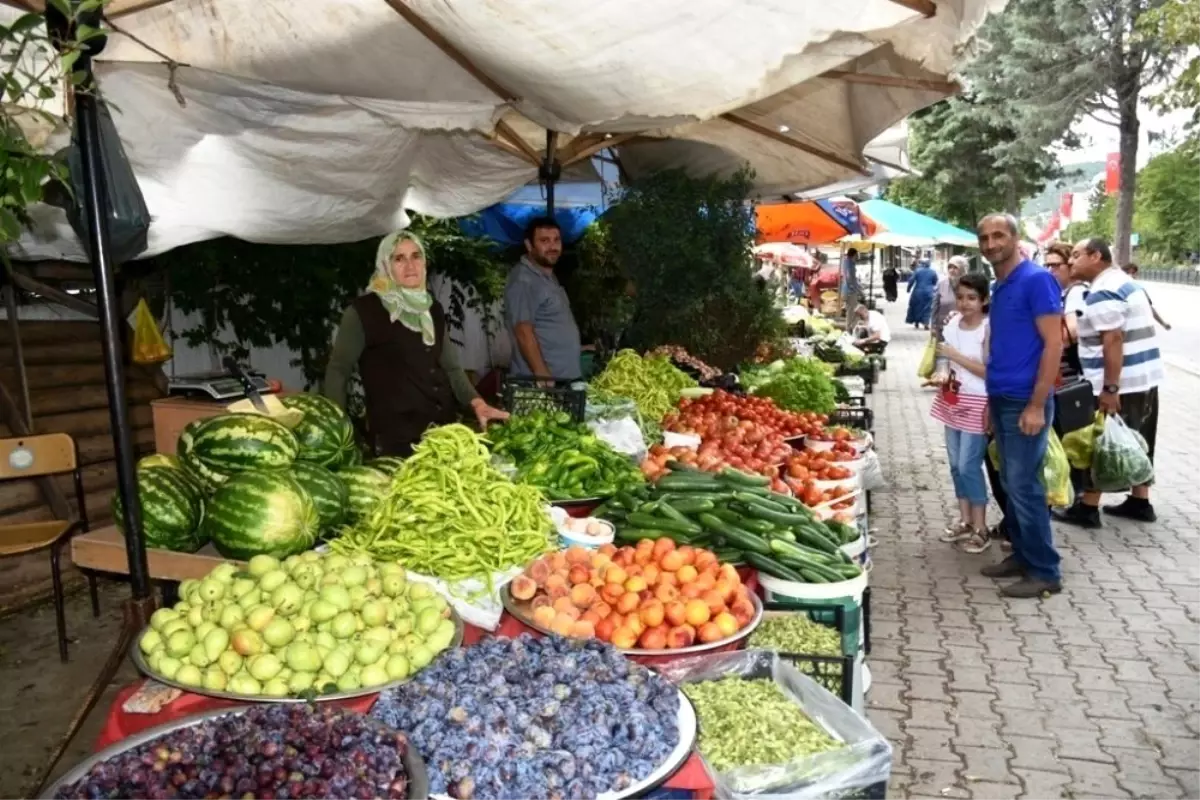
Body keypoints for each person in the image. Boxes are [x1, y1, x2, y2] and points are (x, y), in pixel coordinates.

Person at [324, 232, 509, 456]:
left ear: (424, 263)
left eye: (416, 256)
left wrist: (477, 403)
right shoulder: (363, 312)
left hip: (442, 436)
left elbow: (451, 368)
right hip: (395, 442)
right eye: (399, 258)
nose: (410, 265)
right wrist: (336, 429)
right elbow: (339, 370)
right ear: (385, 264)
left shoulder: (432, 309)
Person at [978, 213, 1064, 598]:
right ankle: (1022, 555)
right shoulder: (1001, 285)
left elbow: (1054, 344)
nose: (991, 243)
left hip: (1024, 401)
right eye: (984, 237)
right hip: (1002, 397)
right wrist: (988, 402)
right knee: (1011, 483)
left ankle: (1045, 570)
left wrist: (1036, 404)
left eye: (999, 235)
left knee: (1025, 485)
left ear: (1015, 238)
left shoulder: (1036, 280)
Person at [1054, 239, 1165, 527]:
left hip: (1120, 383)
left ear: (1096, 256)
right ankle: (1140, 500)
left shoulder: (1103, 290)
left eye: (1077, 256)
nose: (1071, 262)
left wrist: (1110, 388)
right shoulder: (1123, 281)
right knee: (1137, 439)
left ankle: (1088, 507)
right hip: (1144, 378)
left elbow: (1112, 339)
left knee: (1102, 441)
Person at [931, 272, 992, 553]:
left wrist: (955, 357)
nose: (965, 303)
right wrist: (942, 372)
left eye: (972, 298)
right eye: (961, 297)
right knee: (956, 465)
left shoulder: (988, 329)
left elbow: (989, 372)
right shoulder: (953, 323)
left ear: (984, 300)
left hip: (978, 403)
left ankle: (982, 527)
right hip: (952, 400)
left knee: (969, 465)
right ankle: (965, 521)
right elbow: (943, 355)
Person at [505, 217, 583, 381]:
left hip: (562, 380)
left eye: (556, 240)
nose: (552, 247)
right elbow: (523, 331)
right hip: (542, 385)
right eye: (544, 241)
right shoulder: (524, 280)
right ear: (529, 245)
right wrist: (543, 376)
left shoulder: (546, 275)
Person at [1121, 263, 1171, 331]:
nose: (1131, 275)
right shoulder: (1117, 282)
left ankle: (1163, 323)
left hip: (1131, 321)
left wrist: (1163, 323)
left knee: (1148, 307)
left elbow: (1149, 305)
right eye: (1129, 273)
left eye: (1133, 273)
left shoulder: (1136, 286)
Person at [930, 256, 967, 339]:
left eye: (955, 267)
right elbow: (935, 307)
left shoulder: (970, 285)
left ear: (963, 269)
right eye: (949, 267)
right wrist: (933, 326)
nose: (952, 270)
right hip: (943, 328)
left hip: (964, 329)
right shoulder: (941, 284)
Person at [905, 258, 937, 330]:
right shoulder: (933, 272)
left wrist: (908, 289)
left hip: (917, 292)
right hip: (929, 292)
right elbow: (935, 282)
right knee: (927, 308)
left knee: (916, 306)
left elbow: (911, 280)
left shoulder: (917, 271)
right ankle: (926, 323)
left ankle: (916, 322)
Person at [841, 248, 862, 322]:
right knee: (851, 311)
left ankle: (850, 326)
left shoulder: (847, 262)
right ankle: (850, 327)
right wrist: (852, 287)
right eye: (857, 255)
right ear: (854, 255)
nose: (857, 257)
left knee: (851, 310)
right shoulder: (849, 263)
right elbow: (848, 276)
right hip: (850, 291)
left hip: (848, 289)